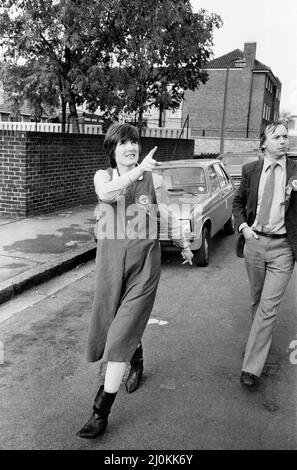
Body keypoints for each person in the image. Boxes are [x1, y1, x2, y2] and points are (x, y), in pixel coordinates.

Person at [77, 123, 193, 439]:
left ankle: (100, 412)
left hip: (144, 265)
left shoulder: (152, 179)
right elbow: (107, 194)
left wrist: (183, 242)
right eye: (124, 143)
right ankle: (136, 358)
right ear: (112, 149)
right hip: (111, 265)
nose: (131, 148)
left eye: (135, 143)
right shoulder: (104, 177)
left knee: (118, 336)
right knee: (115, 322)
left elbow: (167, 213)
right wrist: (138, 170)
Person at [233, 120, 297, 389]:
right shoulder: (251, 169)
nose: (283, 141)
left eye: (286, 136)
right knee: (257, 300)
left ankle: (251, 367)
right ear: (263, 143)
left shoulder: (296, 169)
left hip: (284, 248)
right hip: (255, 243)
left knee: (269, 306)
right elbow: (238, 202)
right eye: (277, 137)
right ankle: (256, 343)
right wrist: (244, 227)